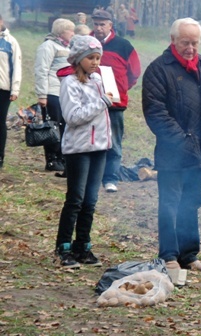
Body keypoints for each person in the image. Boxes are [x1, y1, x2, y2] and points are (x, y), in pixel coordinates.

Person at [142, 18, 201, 273]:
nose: (191, 48)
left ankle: (189, 255)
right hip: (173, 152)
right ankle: (168, 255)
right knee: (170, 203)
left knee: (192, 202)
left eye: (195, 43)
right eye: (185, 42)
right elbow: (155, 112)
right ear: (173, 41)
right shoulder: (159, 69)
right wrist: (181, 140)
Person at [54, 35, 113, 268]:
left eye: (98, 57)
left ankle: (83, 245)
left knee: (91, 200)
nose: (95, 62)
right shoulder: (70, 83)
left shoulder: (98, 80)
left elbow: (104, 111)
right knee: (76, 199)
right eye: (90, 58)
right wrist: (102, 102)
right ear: (78, 59)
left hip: (100, 147)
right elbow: (73, 116)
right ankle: (64, 246)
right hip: (78, 149)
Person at [91, 9, 141, 193]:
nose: (98, 28)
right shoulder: (86, 43)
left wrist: (120, 87)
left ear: (110, 25)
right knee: (92, 140)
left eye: (102, 24)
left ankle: (111, 178)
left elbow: (135, 72)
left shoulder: (123, 45)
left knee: (114, 142)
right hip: (90, 102)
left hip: (115, 103)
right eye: (95, 24)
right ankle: (92, 176)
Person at [34, 18, 75, 173]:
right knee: (53, 126)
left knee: (64, 125)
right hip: (52, 91)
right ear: (61, 31)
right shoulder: (47, 46)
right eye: (70, 30)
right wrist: (42, 94)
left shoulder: (69, 47)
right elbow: (41, 70)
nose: (73, 33)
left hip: (65, 92)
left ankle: (62, 156)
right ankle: (52, 159)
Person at [0, 14, 22, 169]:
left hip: (3, 89)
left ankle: (0, 156)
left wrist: (15, 89)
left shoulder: (10, 41)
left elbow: (17, 67)